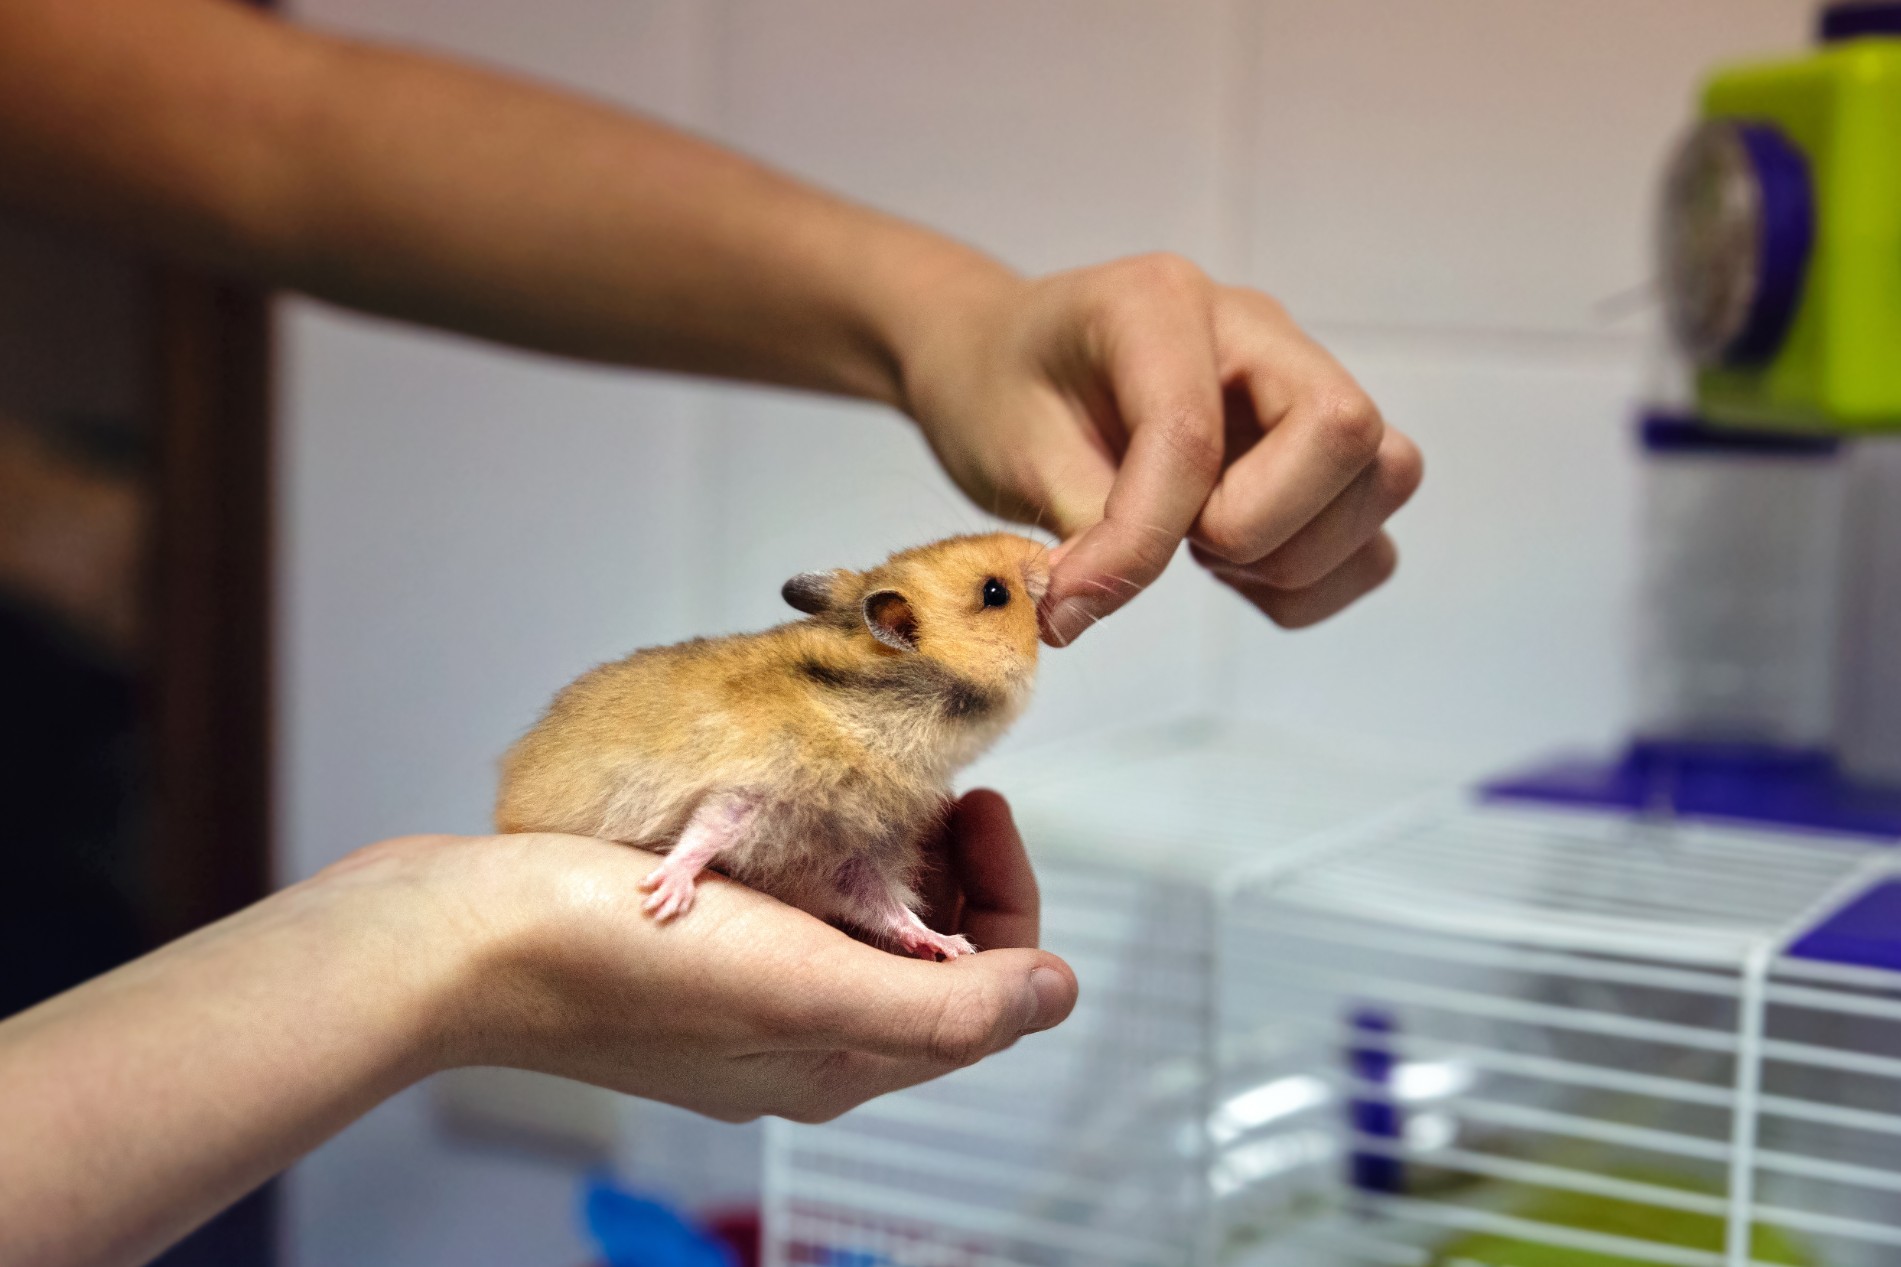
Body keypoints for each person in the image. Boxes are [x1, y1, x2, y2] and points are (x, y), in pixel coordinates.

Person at [0, 2, 1423, 1265]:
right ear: (895, 633)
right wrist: (426, 950)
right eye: (990, 596)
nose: (1036, 588)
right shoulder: (821, 704)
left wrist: (947, 322)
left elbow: (271, 130)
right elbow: (747, 792)